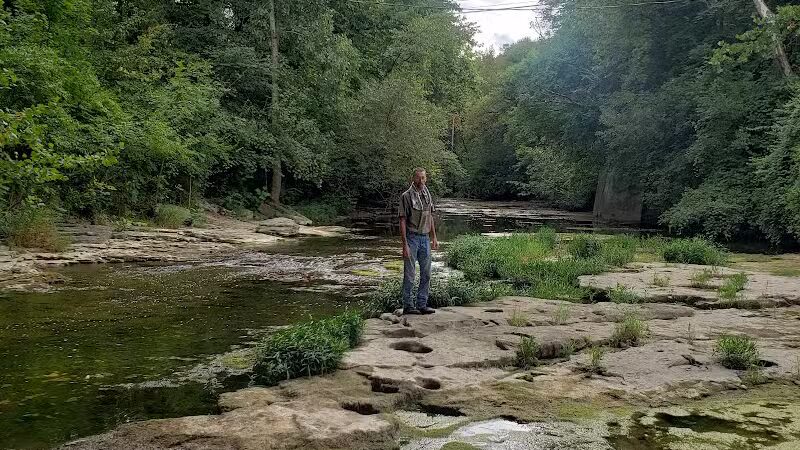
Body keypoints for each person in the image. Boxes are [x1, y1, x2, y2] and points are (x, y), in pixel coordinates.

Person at [398, 167, 439, 315]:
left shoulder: (427, 194)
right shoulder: (406, 196)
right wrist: (405, 245)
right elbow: (402, 220)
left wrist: (434, 237)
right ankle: (408, 306)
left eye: (423, 178)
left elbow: (430, 217)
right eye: (418, 177)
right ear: (413, 178)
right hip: (412, 238)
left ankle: (422, 304)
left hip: (425, 238)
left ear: (426, 179)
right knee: (410, 275)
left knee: (426, 274)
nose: (420, 180)